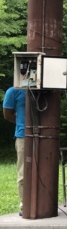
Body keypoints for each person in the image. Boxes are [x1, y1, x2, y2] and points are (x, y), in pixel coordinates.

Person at [3, 85, 26, 213]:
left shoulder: (43, 91)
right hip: (23, 135)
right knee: (23, 172)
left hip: (43, 136)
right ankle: (24, 205)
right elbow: (7, 114)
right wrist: (22, 123)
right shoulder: (13, 91)